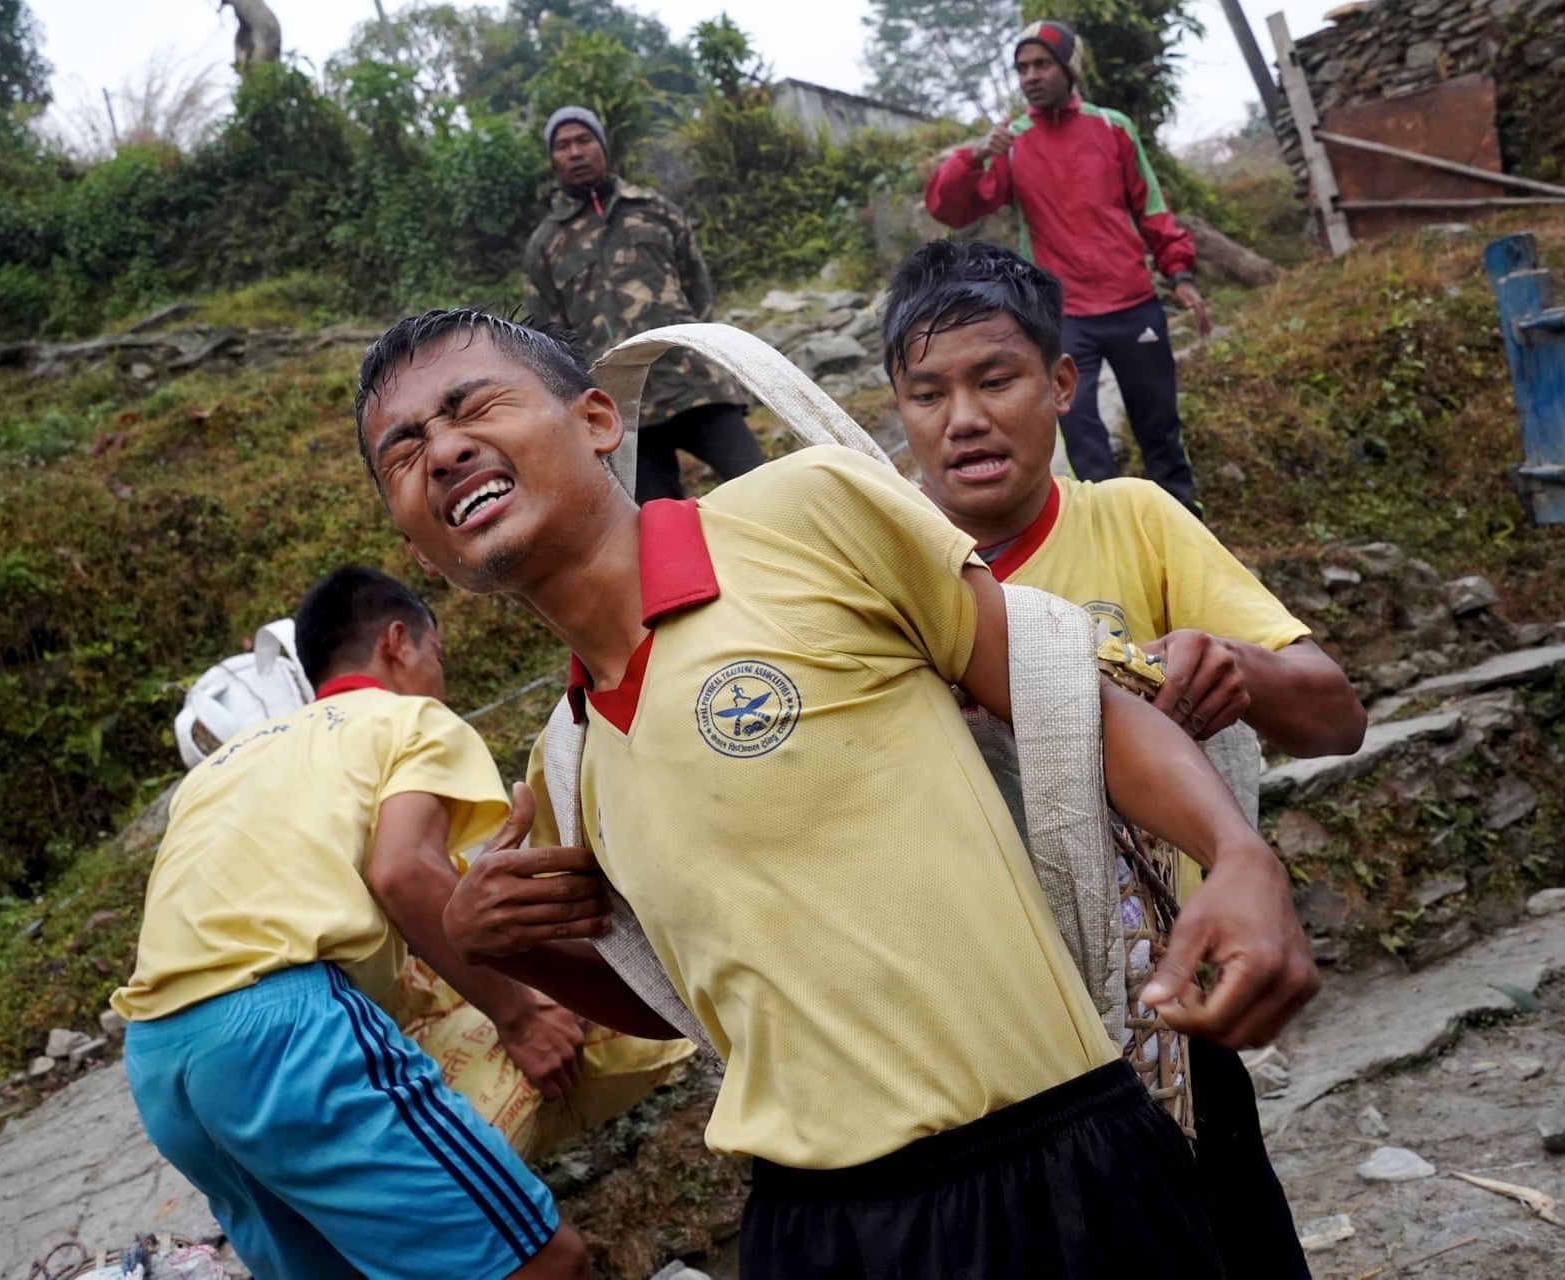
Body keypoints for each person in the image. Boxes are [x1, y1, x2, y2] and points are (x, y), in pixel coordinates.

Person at [351, 307, 1322, 1277]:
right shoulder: (566, 761)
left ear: (599, 419)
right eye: (403, 450)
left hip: (1053, 1163)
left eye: (471, 406)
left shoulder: (805, 514)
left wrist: (1236, 851)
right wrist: (513, 947)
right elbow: (696, 1004)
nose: (441, 451)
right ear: (414, 538)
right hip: (813, 1228)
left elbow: (1071, 703)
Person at [879, 237, 1370, 1276]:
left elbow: (1336, 715)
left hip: (1160, 1011)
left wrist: (1239, 666)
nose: (963, 418)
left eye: (995, 378)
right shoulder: (875, 577)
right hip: (982, 1042)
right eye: (928, 393)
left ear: (1062, 383)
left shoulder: (1134, 519)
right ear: (896, 407)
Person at [113, 565, 589, 1280]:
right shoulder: (410, 720)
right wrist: (520, 1020)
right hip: (282, 1034)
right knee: (543, 1265)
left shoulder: (223, 765)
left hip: (160, 1062)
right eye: (438, 656)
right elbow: (404, 874)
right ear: (398, 642)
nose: (439, 678)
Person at [924, 19, 1208, 513]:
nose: (1030, 76)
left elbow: (1152, 208)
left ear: (1067, 68)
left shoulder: (1112, 127)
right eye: (1022, 68)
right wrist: (971, 157)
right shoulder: (1013, 143)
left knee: (1159, 426)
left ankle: (1185, 522)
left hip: (1134, 304)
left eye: (1042, 64)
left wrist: (1179, 274)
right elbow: (951, 209)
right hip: (1064, 316)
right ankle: (1105, 534)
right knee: (1081, 437)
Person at [522, 105, 765, 504]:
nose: (575, 151)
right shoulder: (545, 245)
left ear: (602, 146)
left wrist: (701, 349)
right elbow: (548, 340)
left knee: (764, 486)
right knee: (659, 530)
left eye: (584, 140)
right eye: (563, 145)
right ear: (553, 159)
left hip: (695, 384)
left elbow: (698, 291)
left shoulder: (656, 210)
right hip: (624, 409)